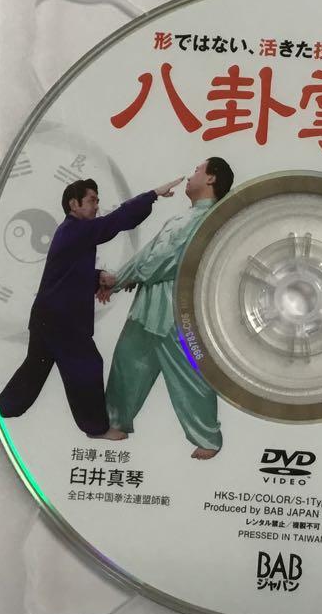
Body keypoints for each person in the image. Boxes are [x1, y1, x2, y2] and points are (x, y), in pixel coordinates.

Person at [0, 176, 183, 437]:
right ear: (74, 204)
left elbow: (69, 272)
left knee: (34, 369)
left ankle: (1, 410)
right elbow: (115, 222)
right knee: (87, 366)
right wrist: (152, 194)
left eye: (97, 201)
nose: (96, 206)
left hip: (47, 317)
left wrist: (98, 277)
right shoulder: (76, 230)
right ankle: (96, 428)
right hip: (62, 321)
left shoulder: (72, 232)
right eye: (92, 201)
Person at [99, 158, 234, 458]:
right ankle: (115, 422)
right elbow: (150, 253)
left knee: (189, 373)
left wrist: (127, 277)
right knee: (127, 362)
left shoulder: (208, 219)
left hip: (178, 309)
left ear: (211, 179)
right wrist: (118, 279)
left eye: (197, 170)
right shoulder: (183, 217)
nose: (191, 175)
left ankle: (207, 438)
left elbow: (166, 260)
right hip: (149, 304)